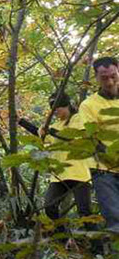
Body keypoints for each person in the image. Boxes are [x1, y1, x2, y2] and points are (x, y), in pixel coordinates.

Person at [77, 56, 119, 233]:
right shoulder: (88, 105)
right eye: (104, 78)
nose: (109, 82)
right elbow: (92, 139)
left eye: (113, 76)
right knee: (115, 220)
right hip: (104, 170)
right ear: (96, 78)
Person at [42, 92, 93, 232]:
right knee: (49, 207)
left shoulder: (79, 119)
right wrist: (22, 122)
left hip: (79, 173)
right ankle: (63, 236)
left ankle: (97, 248)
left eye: (58, 107)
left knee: (85, 213)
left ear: (67, 106)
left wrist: (54, 133)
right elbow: (43, 137)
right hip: (59, 175)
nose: (56, 111)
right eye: (53, 109)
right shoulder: (56, 125)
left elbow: (78, 139)